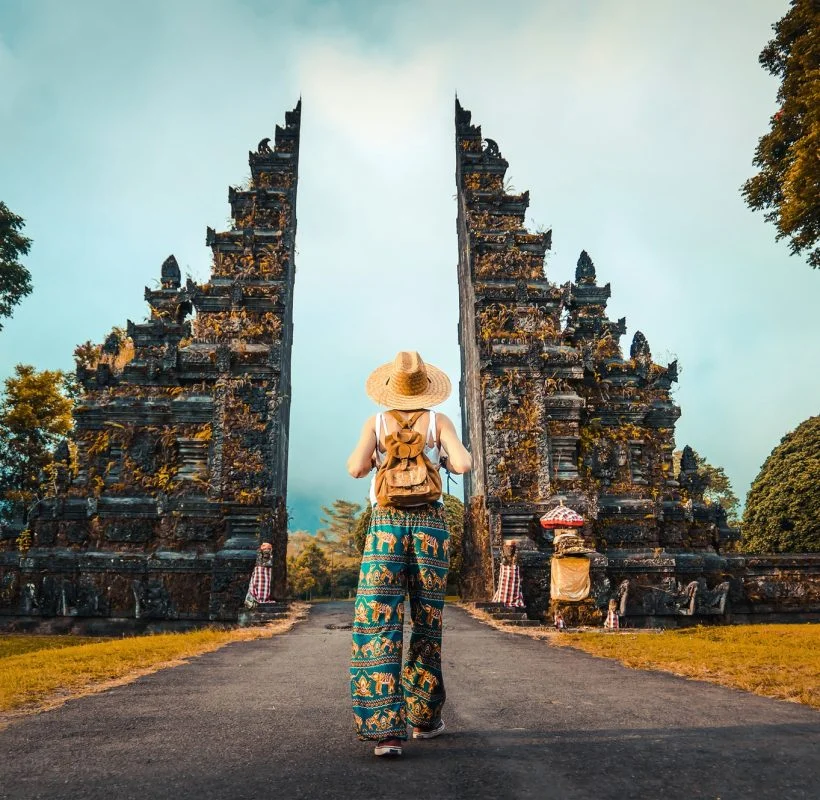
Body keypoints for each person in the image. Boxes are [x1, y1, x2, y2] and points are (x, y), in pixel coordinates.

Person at [347, 351, 472, 757]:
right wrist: (446, 457)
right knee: (427, 619)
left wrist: (374, 463)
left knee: (377, 619)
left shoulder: (377, 422)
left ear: (390, 389)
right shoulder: (438, 421)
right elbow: (466, 464)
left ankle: (386, 733)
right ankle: (425, 718)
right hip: (430, 528)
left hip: (385, 525)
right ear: (426, 388)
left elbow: (353, 468)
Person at [244, 542, 273, 608]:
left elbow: (268, 562)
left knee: (264, 584)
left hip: (265, 569)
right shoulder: (260, 554)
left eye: (268, 549)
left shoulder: (265, 554)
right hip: (260, 569)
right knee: (259, 583)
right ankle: (259, 599)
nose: (267, 550)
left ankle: (260, 599)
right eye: (266, 548)